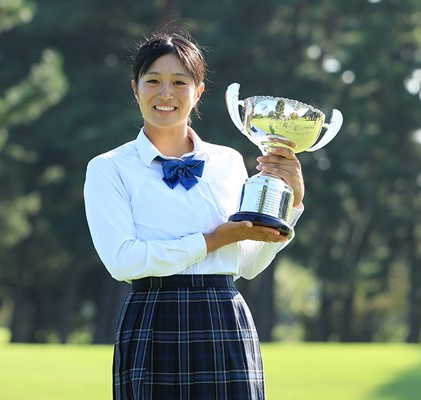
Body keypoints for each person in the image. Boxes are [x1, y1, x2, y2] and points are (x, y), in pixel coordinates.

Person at [84, 28, 305, 400]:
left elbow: (246, 264)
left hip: (225, 316)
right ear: (135, 89)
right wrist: (213, 240)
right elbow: (123, 261)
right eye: (152, 81)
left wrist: (292, 203)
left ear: (198, 91)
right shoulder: (109, 168)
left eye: (179, 82)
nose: (165, 93)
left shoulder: (228, 162)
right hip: (152, 318)